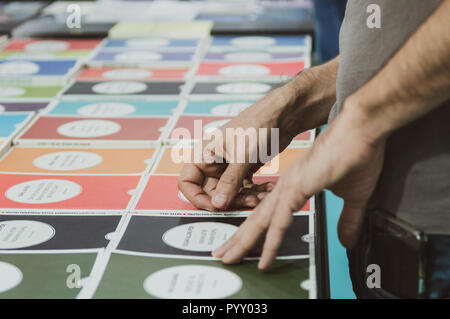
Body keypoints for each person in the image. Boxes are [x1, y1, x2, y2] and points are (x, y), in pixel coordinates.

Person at [178, 0, 450, 298]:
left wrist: (363, 121)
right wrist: (292, 102)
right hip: (385, 225)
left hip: (436, 239)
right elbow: (400, 29)